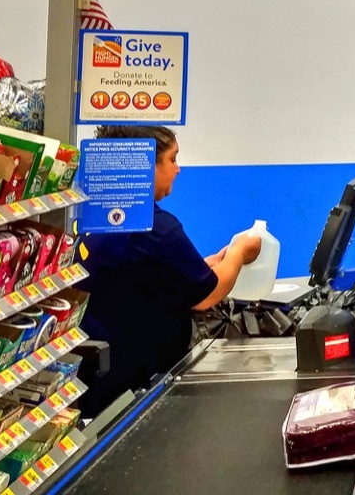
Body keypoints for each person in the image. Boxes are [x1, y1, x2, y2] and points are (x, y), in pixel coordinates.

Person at [78, 125, 261, 416]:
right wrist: (239, 253)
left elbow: (149, 275)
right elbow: (207, 294)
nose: (178, 169)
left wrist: (211, 262)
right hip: (134, 387)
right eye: (172, 159)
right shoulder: (157, 228)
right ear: (146, 166)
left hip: (99, 378)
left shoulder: (97, 219)